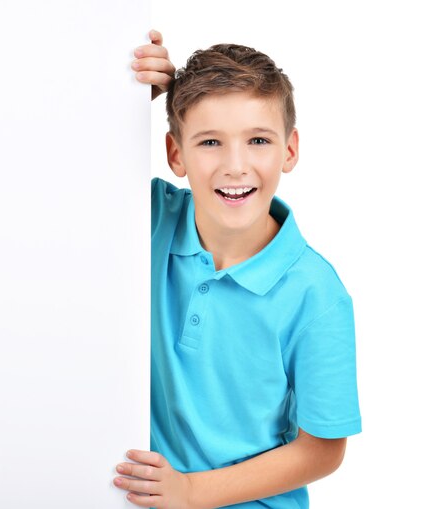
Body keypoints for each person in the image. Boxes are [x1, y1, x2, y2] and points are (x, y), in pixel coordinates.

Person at [113, 30, 362, 509]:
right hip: (139, 497)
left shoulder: (316, 294)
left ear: (288, 150)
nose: (235, 165)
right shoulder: (148, 219)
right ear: (175, 154)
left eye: (258, 140)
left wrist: (191, 492)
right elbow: (67, 170)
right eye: (209, 141)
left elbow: (323, 449)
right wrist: (128, 100)